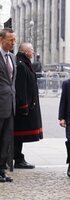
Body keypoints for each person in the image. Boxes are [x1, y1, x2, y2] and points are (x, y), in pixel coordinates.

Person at [14, 42, 43, 169]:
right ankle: (17, 158)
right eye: (31, 50)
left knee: (19, 135)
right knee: (18, 134)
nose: (33, 52)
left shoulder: (25, 63)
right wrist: (24, 105)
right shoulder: (21, 65)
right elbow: (21, 88)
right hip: (23, 107)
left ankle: (18, 156)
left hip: (28, 105)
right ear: (26, 52)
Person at [0, 28, 16, 182]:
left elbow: (12, 83)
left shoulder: (12, 57)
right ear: (1, 39)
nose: (13, 43)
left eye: (14, 40)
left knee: (6, 140)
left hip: (10, 105)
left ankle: (1, 171)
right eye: (10, 40)